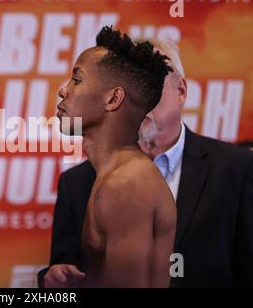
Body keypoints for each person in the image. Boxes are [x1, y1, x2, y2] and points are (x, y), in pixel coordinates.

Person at [40, 36, 253, 288]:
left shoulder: (235, 168)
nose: (63, 90)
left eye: (77, 80)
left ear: (181, 91)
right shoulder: (78, 182)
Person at [54, 26, 176, 287]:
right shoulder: (118, 174)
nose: (63, 91)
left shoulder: (126, 182)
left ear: (113, 99)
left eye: (77, 79)